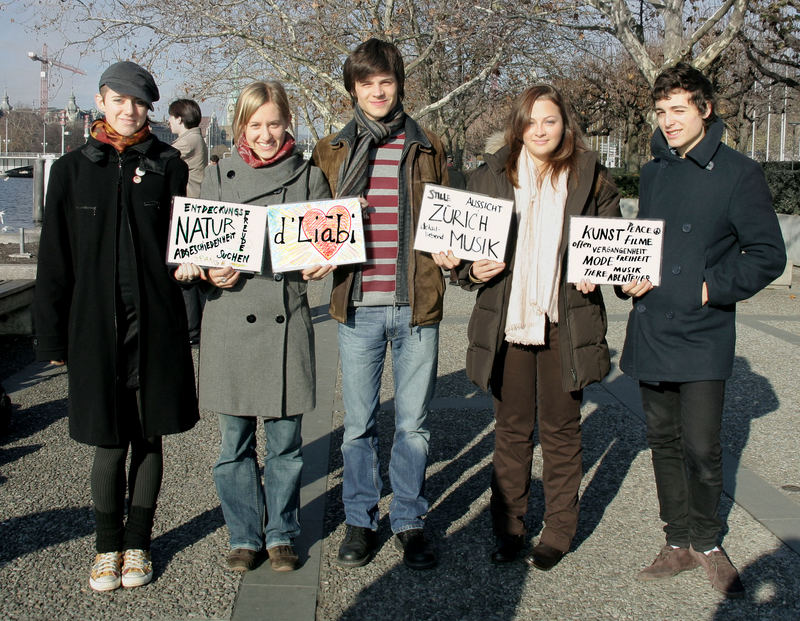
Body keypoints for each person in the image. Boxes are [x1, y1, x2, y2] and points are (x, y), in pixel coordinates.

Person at [619, 63, 785, 597]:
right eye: (661, 111)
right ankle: (676, 539)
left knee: (702, 445)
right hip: (652, 329)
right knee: (662, 442)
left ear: (705, 109)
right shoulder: (651, 172)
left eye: (678, 110)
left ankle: (708, 541)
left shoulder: (740, 172)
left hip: (703, 330)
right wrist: (627, 279)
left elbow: (767, 255)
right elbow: (643, 246)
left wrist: (708, 289)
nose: (668, 121)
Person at [32, 61, 199, 592]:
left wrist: (196, 278)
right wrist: (51, 335)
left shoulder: (169, 164)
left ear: (150, 109)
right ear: (101, 102)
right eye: (119, 101)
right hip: (94, 327)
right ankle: (107, 546)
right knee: (108, 439)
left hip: (155, 323)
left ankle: (139, 541)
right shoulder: (72, 169)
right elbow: (55, 258)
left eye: (140, 103)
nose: (129, 112)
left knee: (150, 435)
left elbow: (187, 244)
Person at [458, 85, 620, 570]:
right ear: (517, 126)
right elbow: (461, 254)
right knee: (509, 431)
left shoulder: (592, 178)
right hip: (507, 323)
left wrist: (602, 270)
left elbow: (612, 245)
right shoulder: (489, 176)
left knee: (561, 433)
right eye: (531, 121)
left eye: (550, 120)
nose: (540, 130)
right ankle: (509, 527)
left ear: (565, 124)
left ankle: (559, 530)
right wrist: (468, 270)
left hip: (564, 322)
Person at [174, 80, 332, 573]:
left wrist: (325, 262)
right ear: (242, 126)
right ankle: (243, 534)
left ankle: (282, 533)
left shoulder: (310, 177)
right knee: (233, 444)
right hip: (230, 321)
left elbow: (328, 250)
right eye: (255, 124)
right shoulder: (219, 174)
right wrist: (206, 268)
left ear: (289, 122)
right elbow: (198, 247)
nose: (265, 134)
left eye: (274, 123)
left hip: (286, 321)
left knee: (286, 444)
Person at [312, 38, 456, 570]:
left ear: (399, 85)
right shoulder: (332, 149)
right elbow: (313, 220)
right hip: (358, 305)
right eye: (367, 82)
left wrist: (456, 257)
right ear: (353, 89)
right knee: (358, 424)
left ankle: (410, 520)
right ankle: (360, 519)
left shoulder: (429, 145)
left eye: (386, 81)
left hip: (416, 303)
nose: (377, 91)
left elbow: (452, 218)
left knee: (413, 424)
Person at [168, 99, 209, 345]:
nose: (169, 122)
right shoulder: (197, 138)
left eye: (171, 118)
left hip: (190, 211)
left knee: (189, 277)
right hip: (194, 209)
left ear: (179, 118)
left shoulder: (189, 140)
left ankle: (193, 329)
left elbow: (163, 156)